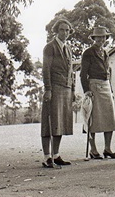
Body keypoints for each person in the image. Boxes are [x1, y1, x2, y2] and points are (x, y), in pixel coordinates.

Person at [80, 26, 115, 160]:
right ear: (94, 38)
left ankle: (107, 148)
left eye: (103, 37)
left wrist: (111, 89)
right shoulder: (88, 53)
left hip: (106, 85)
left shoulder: (106, 53)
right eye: (98, 37)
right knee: (92, 118)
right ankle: (93, 149)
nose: (101, 39)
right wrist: (86, 90)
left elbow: (108, 72)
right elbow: (83, 74)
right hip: (94, 85)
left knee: (110, 117)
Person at [41, 18, 75, 168]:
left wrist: (72, 90)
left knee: (60, 123)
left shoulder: (68, 49)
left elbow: (71, 72)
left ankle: (56, 154)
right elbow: (46, 69)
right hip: (54, 88)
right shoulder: (50, 47)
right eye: (62, 29)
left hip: (66, 89)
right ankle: (47, 157)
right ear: (56, 30)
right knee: (49, 123)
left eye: (67, 30)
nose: (65, 33)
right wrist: (48, 89)